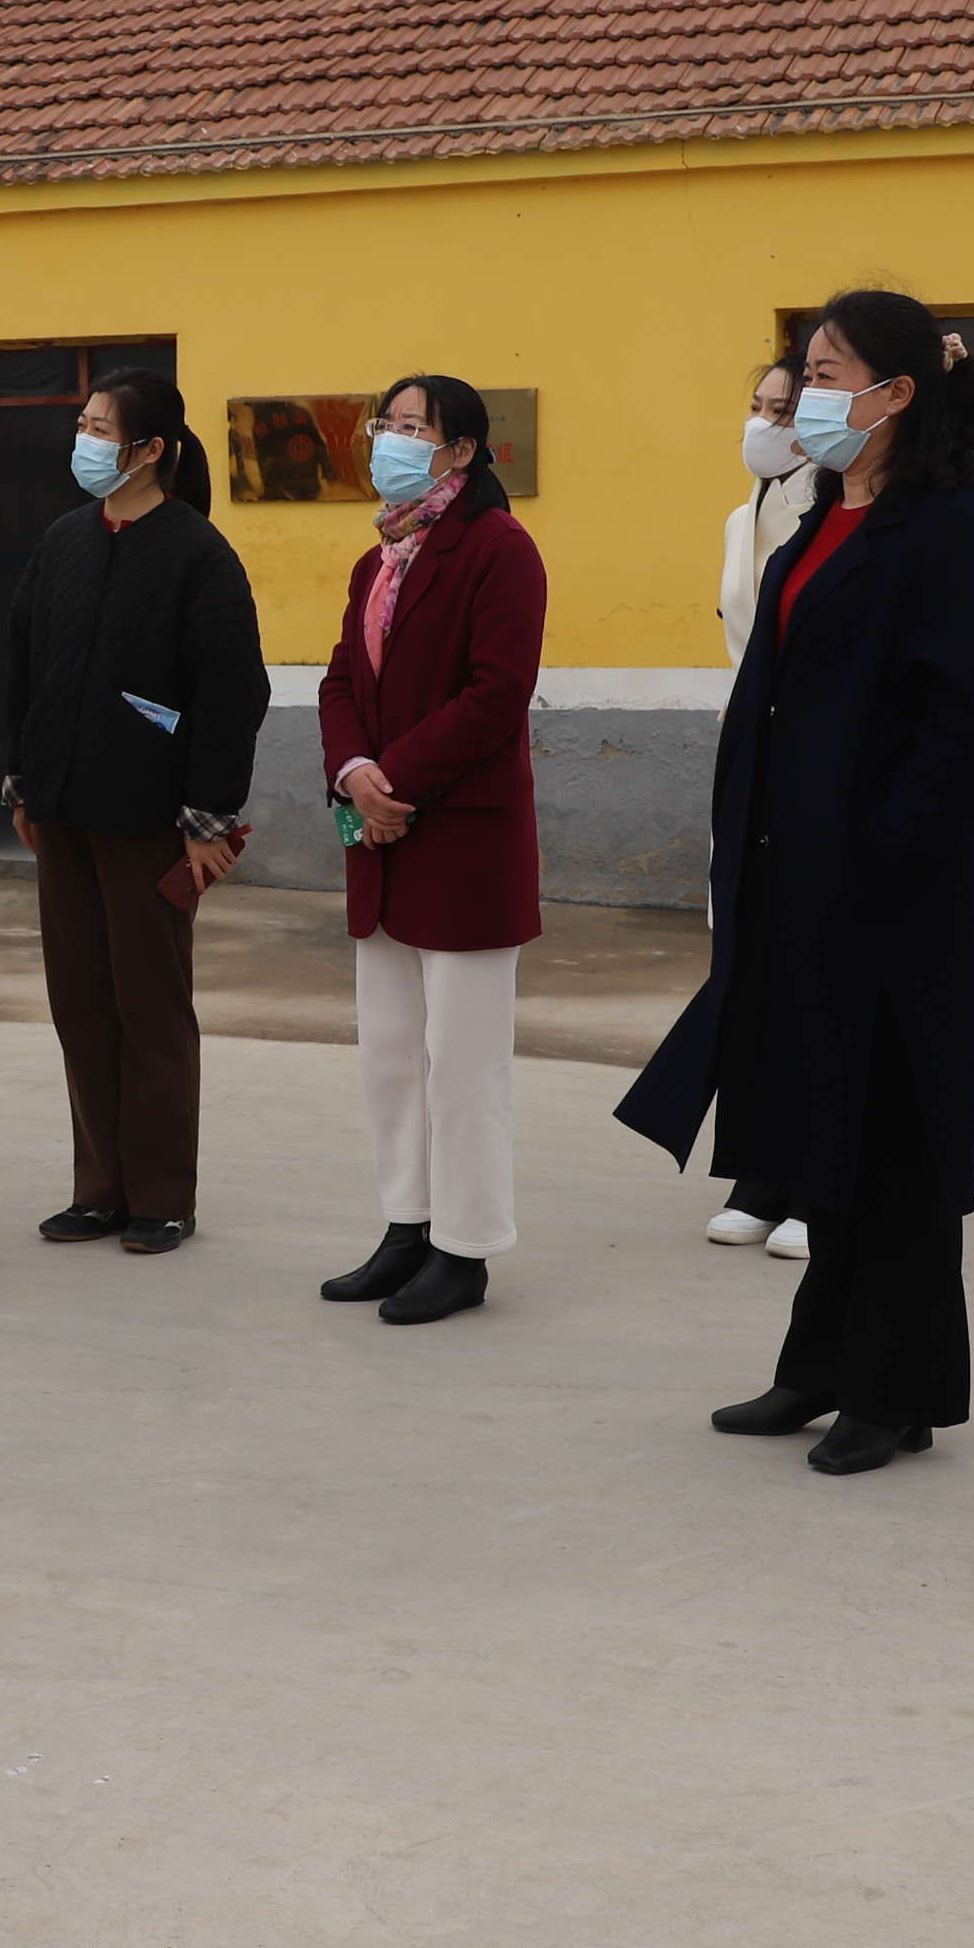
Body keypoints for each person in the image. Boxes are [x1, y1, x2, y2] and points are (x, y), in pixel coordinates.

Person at [619, 291, 974, 1473]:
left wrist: (881, 852)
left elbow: (967, 723)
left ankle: (895, 1391)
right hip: (798, 886)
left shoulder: (944, 528)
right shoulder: (817, 516)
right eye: (803, 370)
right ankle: (819, 1364)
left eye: (829, 372)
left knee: (894, 1144)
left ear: (895, 393)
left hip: (890, 899)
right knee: (824, 1127)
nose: (804, 393)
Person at [0, 364, 268, 1255]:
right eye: (83, 424)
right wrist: (22, 779)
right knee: (80, 1003)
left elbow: (232, 692)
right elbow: (23, 663)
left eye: (101, 429)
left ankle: (162, 1196)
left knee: (150, 1009)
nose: (84, 440)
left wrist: (208, 817)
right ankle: (99, 1190)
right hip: (63, 812)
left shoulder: (198, 553)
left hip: (150, 818)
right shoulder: (65, 540)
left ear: (150, 450)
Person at [315, 373, 546, 1325]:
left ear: (461, 451)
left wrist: (395, 780)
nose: (392, 440)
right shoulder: (378, 560)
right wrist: (354, 774)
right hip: (380, 837)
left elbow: (497, 693)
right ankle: (407, 1227)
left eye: (414, 428)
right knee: (391, 1054)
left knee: (463, 1063)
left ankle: (466, 1247)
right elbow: (339, 682)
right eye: (388, 423)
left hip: (462, 841)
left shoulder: (499, 550)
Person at [709, 353, 817, 1249]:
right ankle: (763, 1164)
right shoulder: (739, 516)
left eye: (784, 409)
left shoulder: (843, 510)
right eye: (758, 406)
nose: (764, 424)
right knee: (750, 966)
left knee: (817, 967)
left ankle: (821, 1175)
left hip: (817, 754)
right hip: (750, 757)